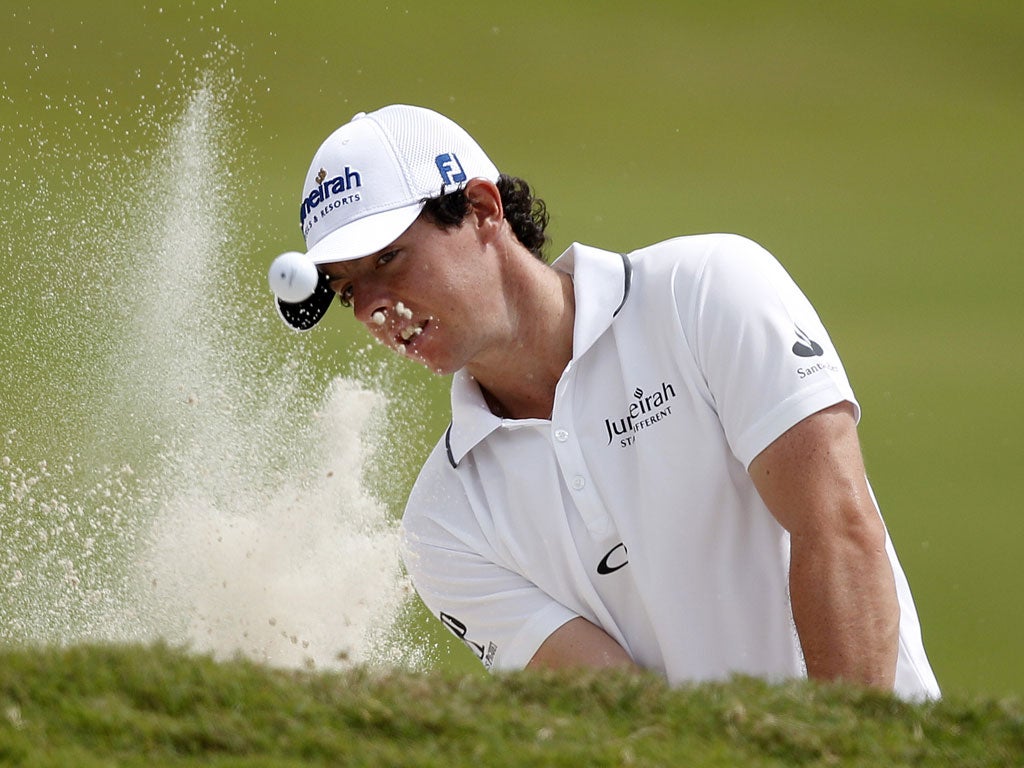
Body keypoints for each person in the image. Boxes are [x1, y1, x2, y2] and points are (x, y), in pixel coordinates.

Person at [270, 104, 940, 700]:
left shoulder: (708, 291)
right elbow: (627, 714)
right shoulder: (444, 523)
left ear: (481, 209)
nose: (374, 308)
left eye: (387, 261)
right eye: (348, 288)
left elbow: (838, 531)